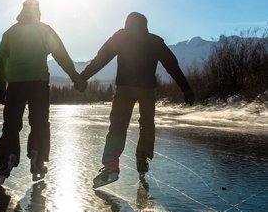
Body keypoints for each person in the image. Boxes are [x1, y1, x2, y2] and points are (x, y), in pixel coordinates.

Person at [80, 12, 194, 188]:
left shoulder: (121, 37)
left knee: (118, 125)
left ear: (127, 23)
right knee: (147, 124)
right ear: (145, 25)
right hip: (147, 90)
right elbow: (172, 65)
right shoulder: (155, 41)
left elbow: (100, 59)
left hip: (125, 88)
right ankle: (142, 157)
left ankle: (111, 166)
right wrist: (185, 87)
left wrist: (83, 77)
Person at [0, 0, 87, 184]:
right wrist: (75, 77)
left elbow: (1, 61)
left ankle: (7, 158)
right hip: (39, 83)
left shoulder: (10, 32)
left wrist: (2, 86)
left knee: (11, 124)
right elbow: (61, 55)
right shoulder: (45, 30)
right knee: (40, 122)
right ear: (38, 12)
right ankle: (37, 156)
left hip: (16, 84)